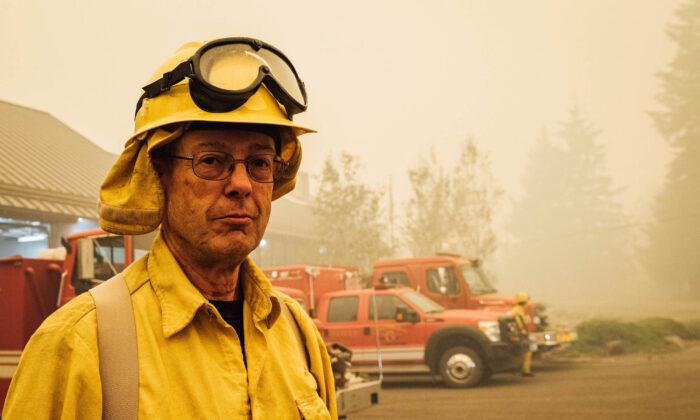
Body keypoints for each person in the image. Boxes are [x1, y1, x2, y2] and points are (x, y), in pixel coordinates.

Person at [3, 37, 336, 419]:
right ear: (159, 173)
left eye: (260, 163)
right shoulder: (78, 342)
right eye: (212, 160)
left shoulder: (296, 333)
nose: (242, 184)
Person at [510, 292, 534, 377]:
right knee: (526, 352)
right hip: (521, 334)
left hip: (520, 334)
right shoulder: (518, 311)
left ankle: (521, 370)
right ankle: (525, 371)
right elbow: (520, 323)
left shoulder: (517, 309)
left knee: (523, 353)